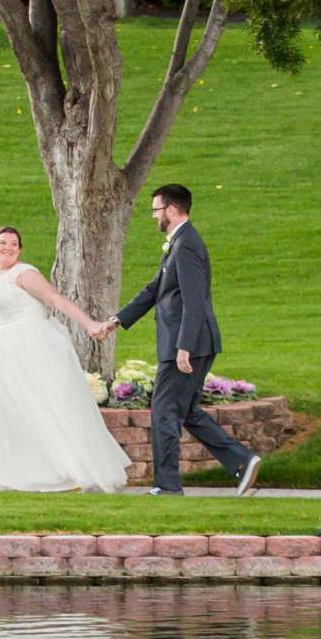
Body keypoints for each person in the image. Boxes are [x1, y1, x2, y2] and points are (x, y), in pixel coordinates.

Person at [0, 226, 130, 493]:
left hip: (31, 345)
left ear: (19, 251)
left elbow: (54, 299)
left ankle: (71, 471)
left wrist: (89, 324)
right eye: (3, 242)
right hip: (3, 350)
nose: (8, 247)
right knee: (8, 409)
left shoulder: (24, 273)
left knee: (41, 405)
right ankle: (5, 473)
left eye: (14, 244)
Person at [104, 184, 259, 497]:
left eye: (156, 210)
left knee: (164, 410)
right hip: (194, 342)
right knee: (186, 411)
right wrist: (118, 320)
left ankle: (167, 486)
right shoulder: (179, 243)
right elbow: (155, 289)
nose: (154, 217)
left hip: (187, 344)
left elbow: (194, 300)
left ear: (171, 210)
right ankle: (242, 461)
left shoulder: (186, 244)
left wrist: (183, 347)